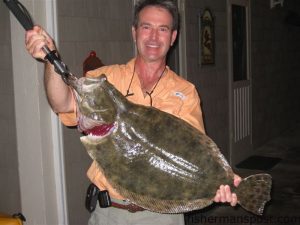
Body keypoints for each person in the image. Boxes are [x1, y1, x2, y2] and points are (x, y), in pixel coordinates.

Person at [25, 0, 241, 224]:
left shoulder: (186, 92)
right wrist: (51, 61)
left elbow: (193, 155)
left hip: (162, 215)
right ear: (134, 32)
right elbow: (63, 104)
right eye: (146, 27)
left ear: (173, 37)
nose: (154, 37)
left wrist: (219, 182)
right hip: (108, 213)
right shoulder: (104, 80)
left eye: (163, 29)